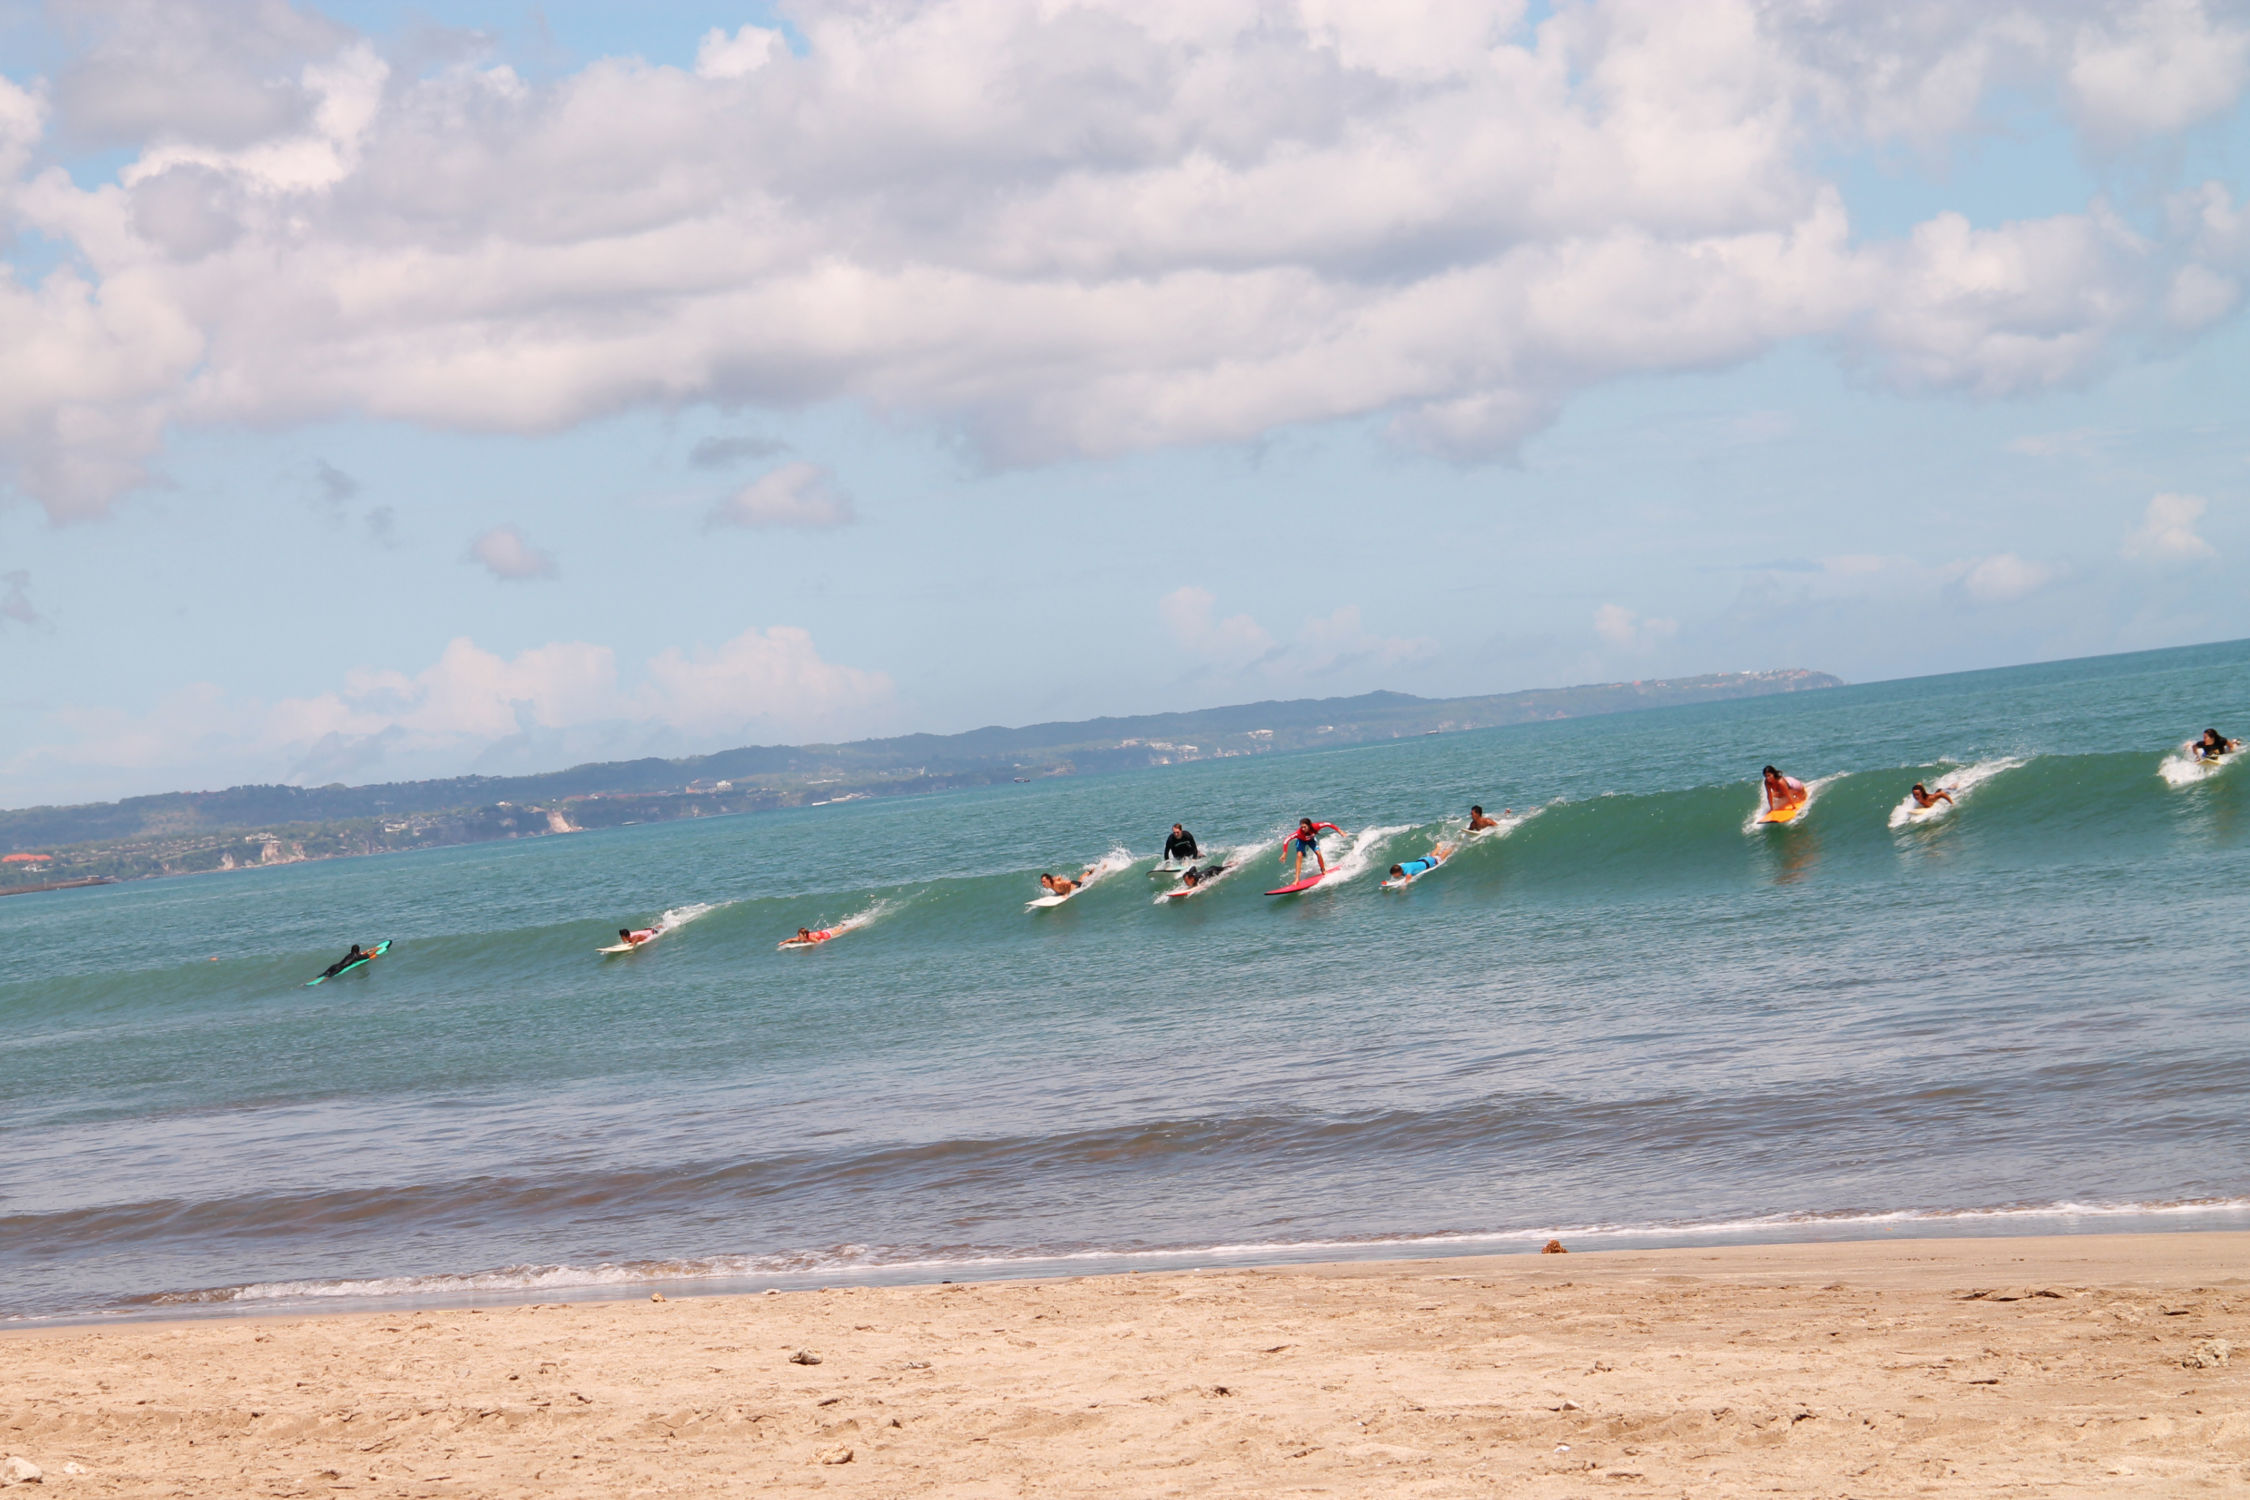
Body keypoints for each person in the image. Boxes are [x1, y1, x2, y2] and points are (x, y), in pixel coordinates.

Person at [1280, 817, 1343, 884]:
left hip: (1311, 841)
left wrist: (1340, 831)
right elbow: (1286, 840)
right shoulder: (1299, 833)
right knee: (1299, 855)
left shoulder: (1316, 826)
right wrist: (1284, 853)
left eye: (1305, 827)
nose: (1303, 829)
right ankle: (1297, 879)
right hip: (1301, 841)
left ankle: (1323, 870)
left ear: (1309, 825)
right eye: (1301, 827)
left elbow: (1328, 824)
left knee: (1318, 853)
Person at [1388, 842, 1456, 883]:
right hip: (1423, 860)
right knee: (1432, 855)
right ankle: (1438, 847)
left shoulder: (1408, 870)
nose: (1394, 876)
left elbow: (1408, 878)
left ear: (1399, 872)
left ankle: (1455, 845)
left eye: (1394, 875)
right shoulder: (1401, 866)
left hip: (1430, 862)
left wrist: (1404, 886)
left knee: (1443, 855)